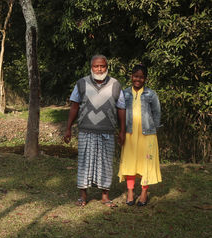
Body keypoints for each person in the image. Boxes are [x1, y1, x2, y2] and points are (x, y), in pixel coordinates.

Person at [64, 55, 126, 207]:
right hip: (86, 131)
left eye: (102, 66)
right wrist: (68, 128)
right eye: (96, 66)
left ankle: (105, 196)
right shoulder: (81, 84)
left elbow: (121, 108)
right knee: (85, 162)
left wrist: (122, 130)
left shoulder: (116, 85)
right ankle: (83, 197)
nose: (99, 69)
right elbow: (74, 107)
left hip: (107, 131)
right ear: (91, 67)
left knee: (105, 163)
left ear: (107, 67)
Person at [118, 64, 162, 206]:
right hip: (130, 133)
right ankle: (130, 192)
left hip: (147, 135)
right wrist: (121, 131)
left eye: (141, 77)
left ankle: (144, 193)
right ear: (131, 77)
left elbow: (157, 113)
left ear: (145, 79)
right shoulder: (124, 93)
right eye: (136, 76)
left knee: (146, 163)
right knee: (130, 162)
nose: (138, 79)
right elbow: (119, 112)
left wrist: (152, 129)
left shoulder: (151, 94)